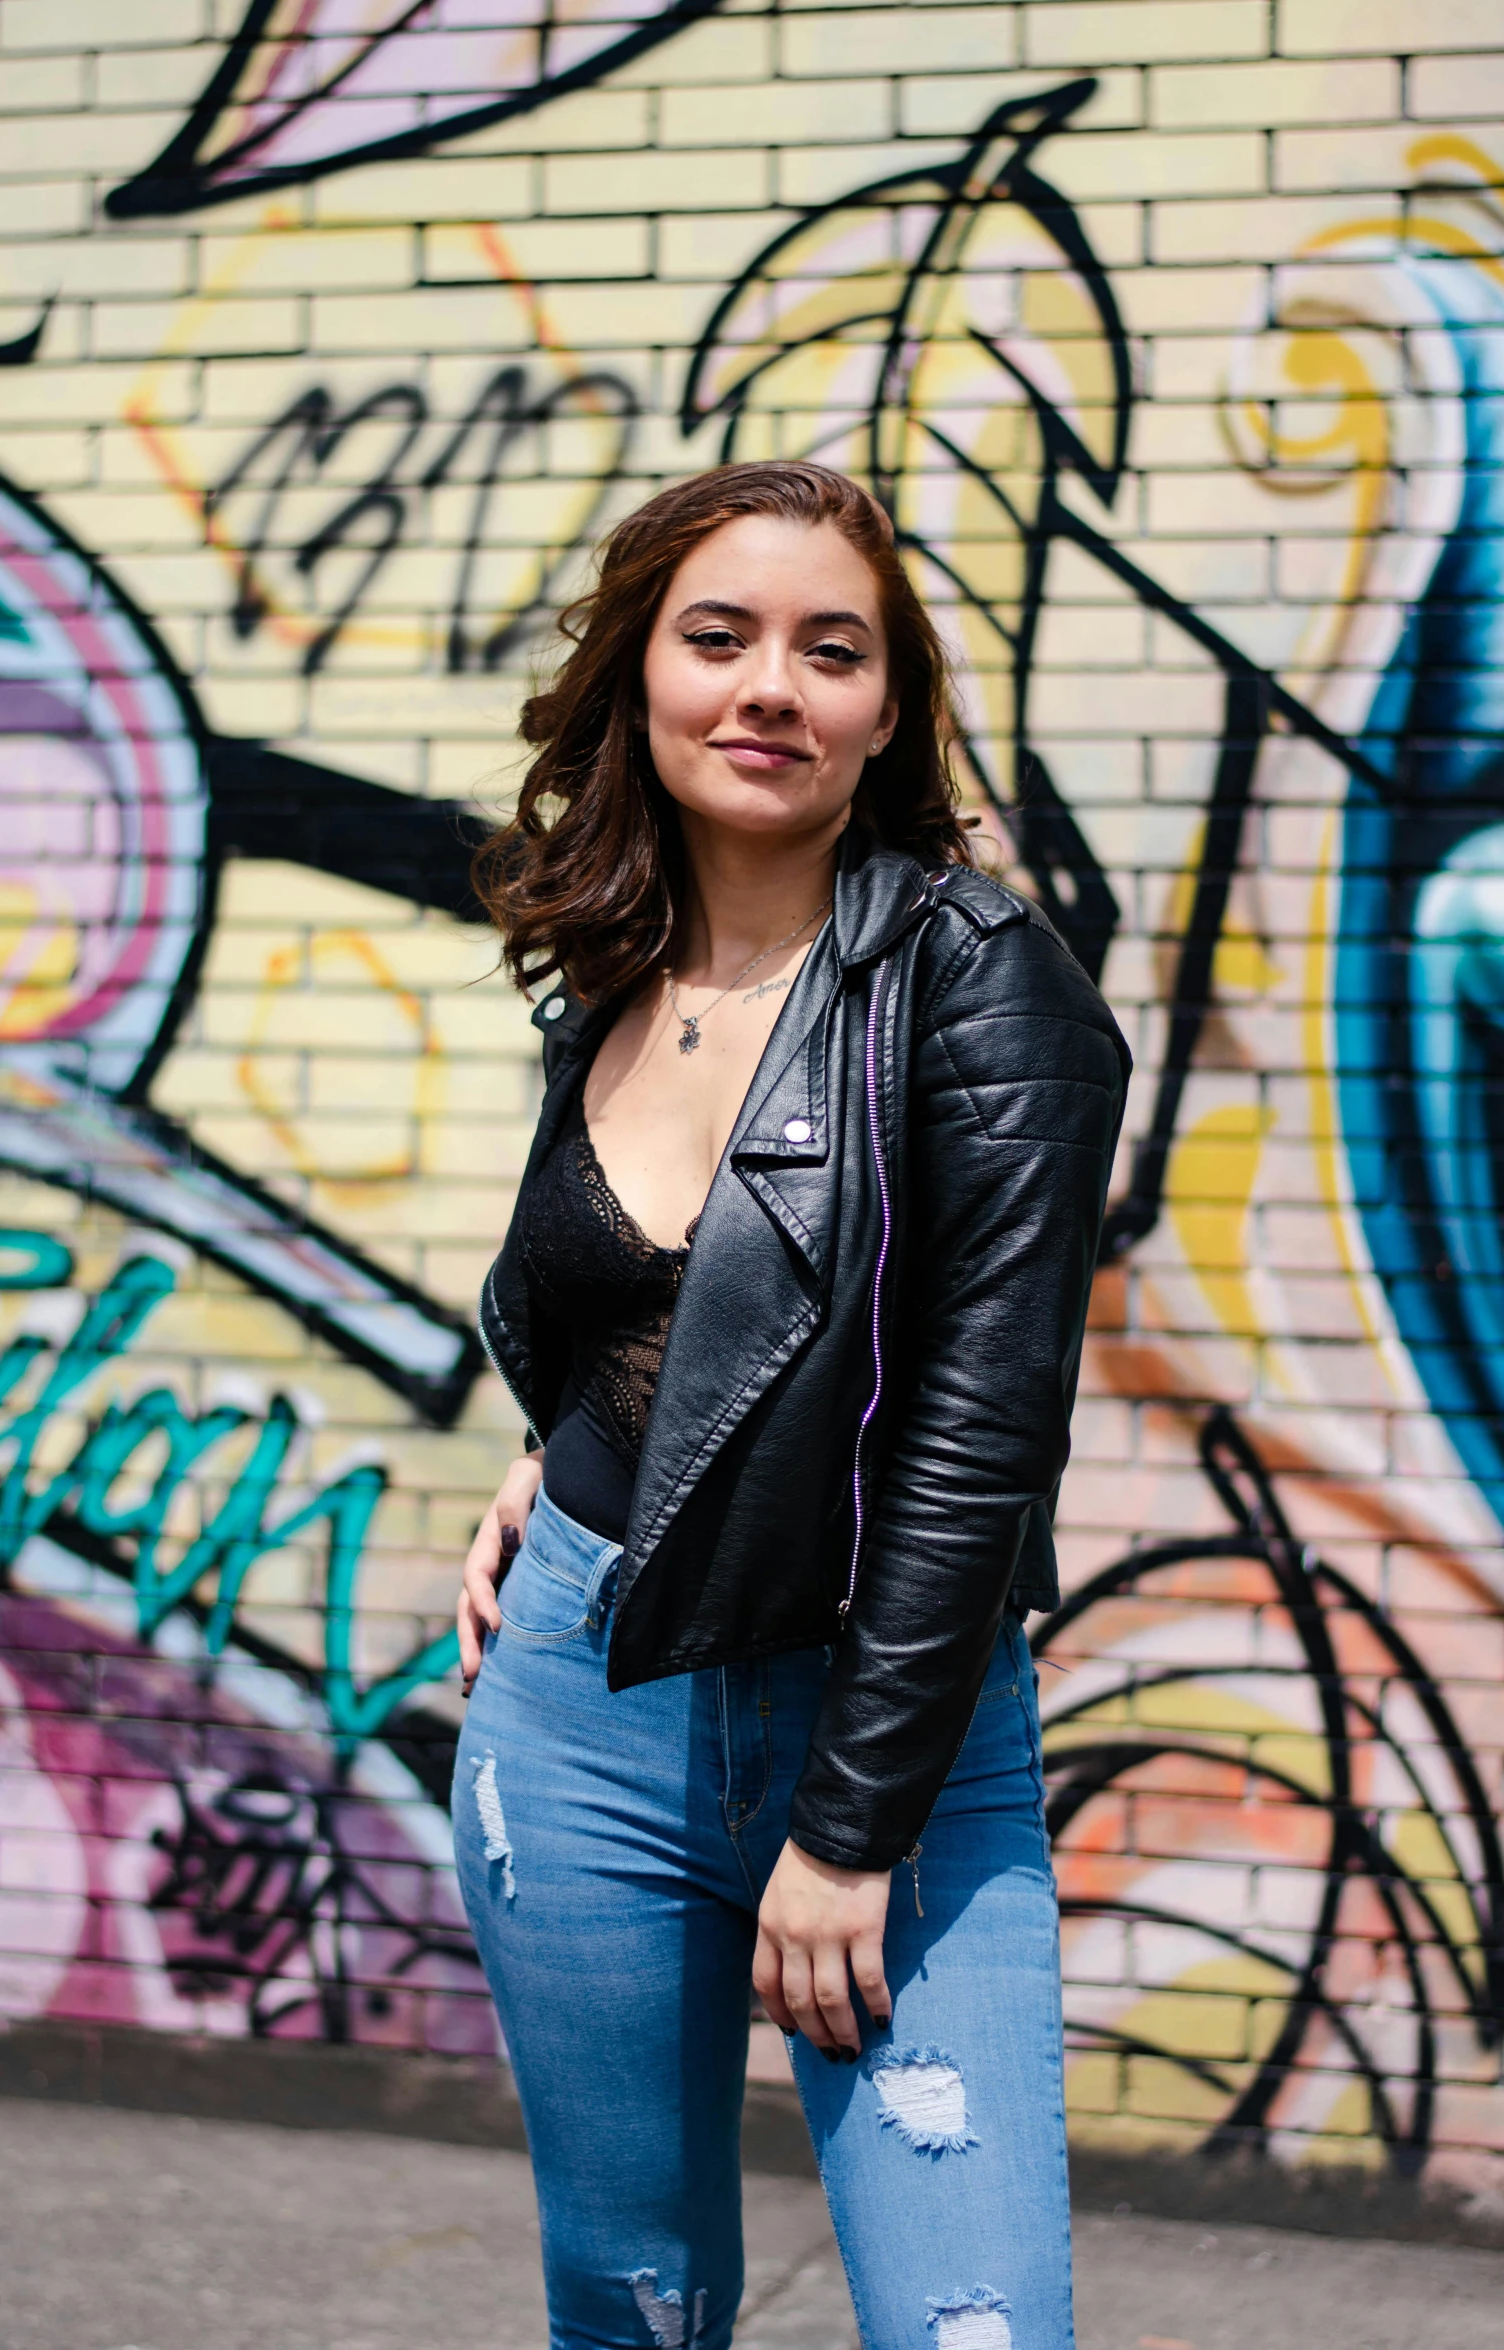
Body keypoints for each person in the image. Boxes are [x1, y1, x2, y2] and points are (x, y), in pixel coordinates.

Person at [453, 460, 1130, 2350]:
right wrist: (556, 1460)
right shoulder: (608, 960)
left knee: (966, 2321)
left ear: (886, 708)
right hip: (574, 1706)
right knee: (633, 2296)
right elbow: (645, 1297)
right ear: (639, 678)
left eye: (831, 651)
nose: (772, 686)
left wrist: (845, 1830)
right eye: (720, 636)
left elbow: (978, 1439)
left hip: (890, 1726)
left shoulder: (981, 987)